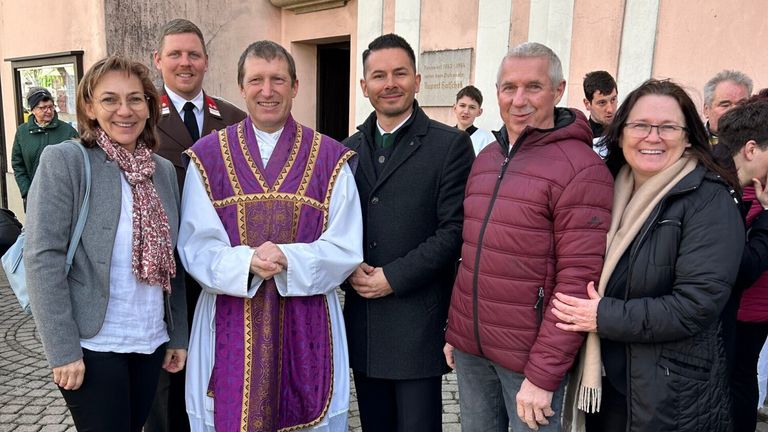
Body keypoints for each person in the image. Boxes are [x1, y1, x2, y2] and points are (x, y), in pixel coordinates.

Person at [179, 40, 363, 432]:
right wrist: (244, 262)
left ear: (295, 86)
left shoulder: (330, 158)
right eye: (256, 80)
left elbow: (346, 245)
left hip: (308, 320)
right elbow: (195, 244)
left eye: (278, 79)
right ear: (241, 87)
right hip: (229, 314)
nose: (268, 90)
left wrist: (289, 260)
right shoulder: (207, 157)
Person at [554, 79, 744, 431]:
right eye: (640, 125)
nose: (652, 136)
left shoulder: (708, 200)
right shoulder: (607, 186)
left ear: (688, 135)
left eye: (668, 127)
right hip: (605, 382)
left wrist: (603, 315)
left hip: (667, 392)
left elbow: (696, 304)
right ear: (621, 131)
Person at [443, 42, 613, 431]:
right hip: (473, 350)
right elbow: (471, 255)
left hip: (529, 361)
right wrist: (457, 331)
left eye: (533, 87)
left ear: (558, 90)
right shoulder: (485, 159)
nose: (518, 100)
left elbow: (576, 283)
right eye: (508, 87)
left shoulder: (581, 168)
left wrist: (543, 373)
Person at [23, 55, 187, 432]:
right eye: (110, 99)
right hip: (93, 345)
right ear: (90, 107)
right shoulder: (65, 161)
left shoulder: (161, 171)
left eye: (135, 99)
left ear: (150, 106)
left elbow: (171, 261)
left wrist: (177, 334)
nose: (124, 110)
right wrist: (63, 351)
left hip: (150, 341)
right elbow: (42, 257)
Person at [343, 33, 474, 431]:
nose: (390, 83)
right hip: (365, 320)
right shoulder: (345, 151)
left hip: (417, 321)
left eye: (400, 73)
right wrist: (346, 267)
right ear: (364, 86)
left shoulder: (449, 146)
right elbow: (333, 227)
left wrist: (393, 278)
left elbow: (453, 231)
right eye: (379, 75)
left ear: (417, 80)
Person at [146, 18, 246, 432]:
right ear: (158, 60)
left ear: (206, 61)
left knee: (222, 372)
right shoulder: (139, 116)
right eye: (175, 54)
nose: (185, 63)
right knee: (166, 384)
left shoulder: (235, 118)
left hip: (221, 273)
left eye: (193, 54)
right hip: (164, 276)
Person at [712, 95, 768, 432]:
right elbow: (743, 266)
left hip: (742, 311)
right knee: (735, 382)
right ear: (750, 149)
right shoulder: (721, 191)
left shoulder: (723, 181)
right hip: (724, 315)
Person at [11, 87, 78, 208]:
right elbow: (18, 164)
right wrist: (27, 191)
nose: (48, 111)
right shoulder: (22, 132)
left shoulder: (68, 131)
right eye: (43, 108)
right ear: (33, 110)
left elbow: (78, 163)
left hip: (63, 198)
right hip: (34, 198)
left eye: (51, 107)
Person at [703, 70, 752, 146]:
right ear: (706, 110)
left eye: (742, 104)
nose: (734, 110)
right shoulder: (692, 141)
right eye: (725, 105)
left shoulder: (762, 142)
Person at [582, 70, 617, 157]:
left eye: (613, 100)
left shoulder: (626, 133)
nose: (610, 109)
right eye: (602, 103)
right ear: (587, 104)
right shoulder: (581, 138)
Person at [453, 85, 495, 154]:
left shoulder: (486, 139)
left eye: (472, 107)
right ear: (455, 108)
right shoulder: (447, 135)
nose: (466, 111)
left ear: (479, 112)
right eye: (462, 106)